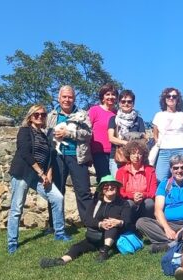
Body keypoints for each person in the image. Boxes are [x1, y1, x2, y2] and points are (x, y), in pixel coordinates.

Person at [7, 105, 70, 254]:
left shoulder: (45, 134)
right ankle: (12, 243)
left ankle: (59, 233)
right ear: (30, 116)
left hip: (39, 175)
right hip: (23, 173)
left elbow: (49, 156)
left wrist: (48, 174)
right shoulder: (24, 131)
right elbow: (25, 153)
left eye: (43, 114)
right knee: (17, 208)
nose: (40, 117)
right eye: (36, 114)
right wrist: (41, 173)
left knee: (57, 197)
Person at [39, 175, 132, 267]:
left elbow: (127, 221)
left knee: (111, 226)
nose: (110, 187)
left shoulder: (123, 204)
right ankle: (61, 260)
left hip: (114, 238)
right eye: (106, 186)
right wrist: (100, 224)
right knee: (77, 247)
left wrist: (119, 222)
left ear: (117, 188)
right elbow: (87, 219)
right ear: (102, 189)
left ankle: (104, 251)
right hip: (96, 237)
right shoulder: (95, 202)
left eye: (113, 185)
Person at [136, 155, 183, 253]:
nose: (179, 171)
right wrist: (167, 229)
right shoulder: (164, 184)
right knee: (141, 222)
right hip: (169, 224)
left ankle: (168, 244)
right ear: (171, 169)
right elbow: (158, 210)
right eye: (176, 168)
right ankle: (179, 241)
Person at [47, 85, 93, 225]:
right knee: (56, 191)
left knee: (83, 191)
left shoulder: (83, 114)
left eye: (70, 97)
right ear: (59, 98)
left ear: (74, 98)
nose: (67, 100)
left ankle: (89, 223)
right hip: (57, 157)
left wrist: (68, 134)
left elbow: (88, 134)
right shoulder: (51, 116)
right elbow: (46, 136)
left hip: (77, 156)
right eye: (64, 97)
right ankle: (55, 224)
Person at [152, 88, 183, 182]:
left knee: (181, 178)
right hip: (164, 150)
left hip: (181, 149)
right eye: (168, 96)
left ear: (178, 99)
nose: (171, 98)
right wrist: (158, 143)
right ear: (164, 99)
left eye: (174, 96)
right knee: (160, 178)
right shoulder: (158, 115)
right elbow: (155, 134)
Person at [108, 89, 146, 176]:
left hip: (134, 157)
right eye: (123, 101)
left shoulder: (138, 120)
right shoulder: (113, 119)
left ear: (133, 103)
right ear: (119, 103)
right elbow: (111, 138)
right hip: (117, 157)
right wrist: (126, 143)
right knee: (117, 184)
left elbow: (143, 139)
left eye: (129, 101)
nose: (126, 104)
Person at [115, 140, 157, 220]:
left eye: (140, 153)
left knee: (149, 203)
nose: (136, 156)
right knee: (129, 204)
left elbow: (153, 191)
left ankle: (146, 225)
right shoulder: (121, 171)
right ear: (129, 155)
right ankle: (129, 225)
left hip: (144, 201)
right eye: (133, 153)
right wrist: (132, 196)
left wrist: (142, 195)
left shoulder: (150, 170)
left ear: (143, 155)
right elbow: (119, 192)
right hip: (128, 201)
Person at [88, 83, 118, 182]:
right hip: (98, 152)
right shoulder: (94, 110)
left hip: (115, 153)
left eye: (113, 94)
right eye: (107, 94)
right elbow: (87, 130)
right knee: (104, 180)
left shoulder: (118, 114)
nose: (110, 97)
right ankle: (98, 197)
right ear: (103, 97)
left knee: (115, 180)